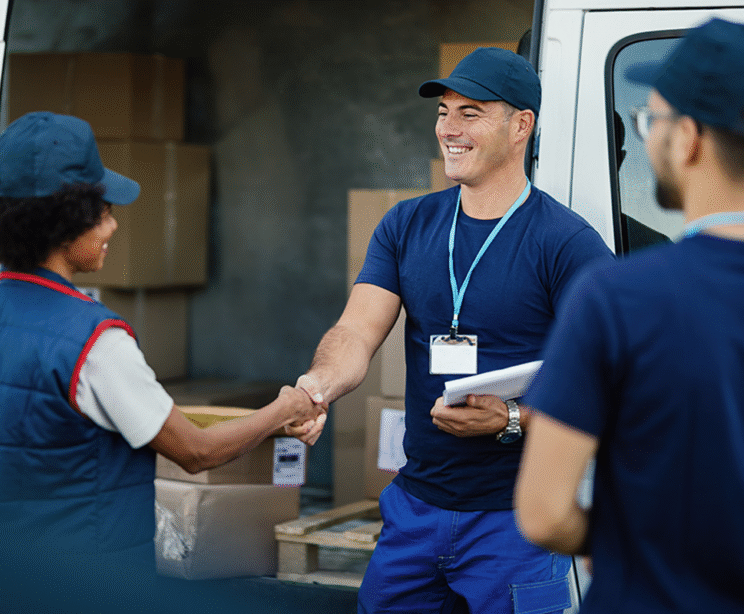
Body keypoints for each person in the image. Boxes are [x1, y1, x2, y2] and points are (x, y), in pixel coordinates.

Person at [290, 48, 613, 613]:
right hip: (414, 511)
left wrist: (512, 418)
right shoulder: (406, 225)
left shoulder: (567, 243)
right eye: (443, 112)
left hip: (516, 521)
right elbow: (355, 332)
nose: (448, 129)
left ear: (521, 125)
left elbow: (616, 384)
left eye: (470, 113)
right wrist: (315, 387)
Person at [0, 111, 324, 607]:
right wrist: (282, 410)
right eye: (102, 210)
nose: (113, 224)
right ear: (65, 219)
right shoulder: (94, 342)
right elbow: (195, 451)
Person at [515, 17, 744, 614]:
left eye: (653, 121)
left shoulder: (617, 298)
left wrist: (615, 538)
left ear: (690, 137)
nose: (648, 139)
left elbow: (544, 513)